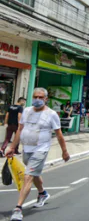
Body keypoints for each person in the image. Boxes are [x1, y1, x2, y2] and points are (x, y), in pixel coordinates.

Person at [5, 88, 70, 221]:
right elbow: (20, 129)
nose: (38, 99)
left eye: (41, 97)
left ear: (46, 99)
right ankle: (42, 193)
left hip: (41, 149)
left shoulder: (52, 114)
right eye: (35, 97)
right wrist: (12, 147)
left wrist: (64, 151)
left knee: (28, 176)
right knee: (33, 173)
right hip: (27, 149)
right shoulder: (27, 111)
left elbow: (59, 134)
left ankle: (18, 209)